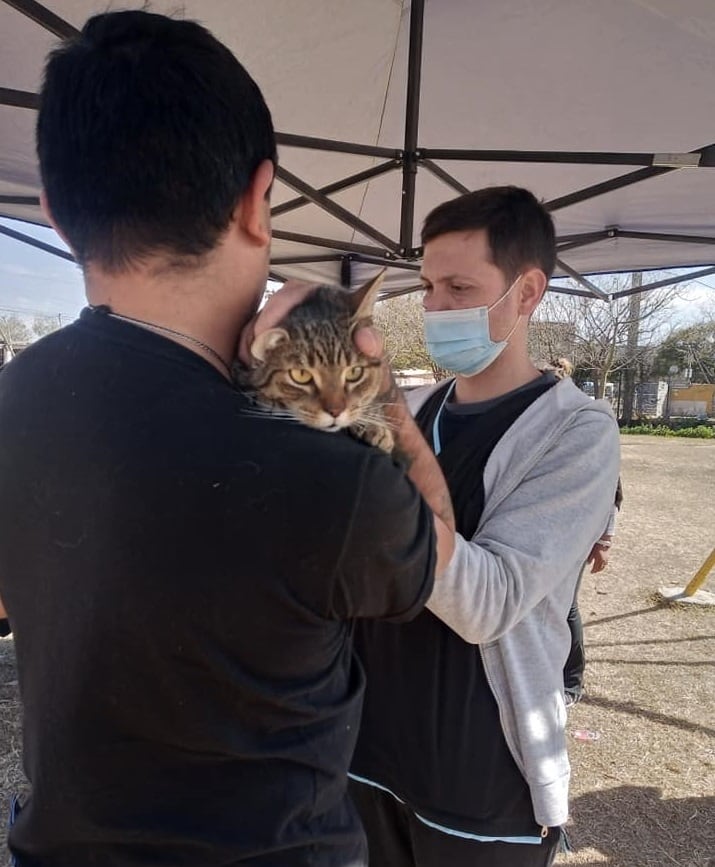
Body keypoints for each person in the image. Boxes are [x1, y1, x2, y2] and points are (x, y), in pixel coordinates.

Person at [0, 11, 454, 866]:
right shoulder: (333, 476)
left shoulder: (11, 394)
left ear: (57, 213)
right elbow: (434, 552)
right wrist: (380, 391)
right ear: (259, 198)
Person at [349, 186, 621, 866]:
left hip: (479, 786)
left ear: (527, 293)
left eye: (459, 286)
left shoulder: (575, 431)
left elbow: (488, 601)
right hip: (363, 754)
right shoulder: (412, 406)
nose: (435, 307)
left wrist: (382, 453)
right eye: (429, 286)